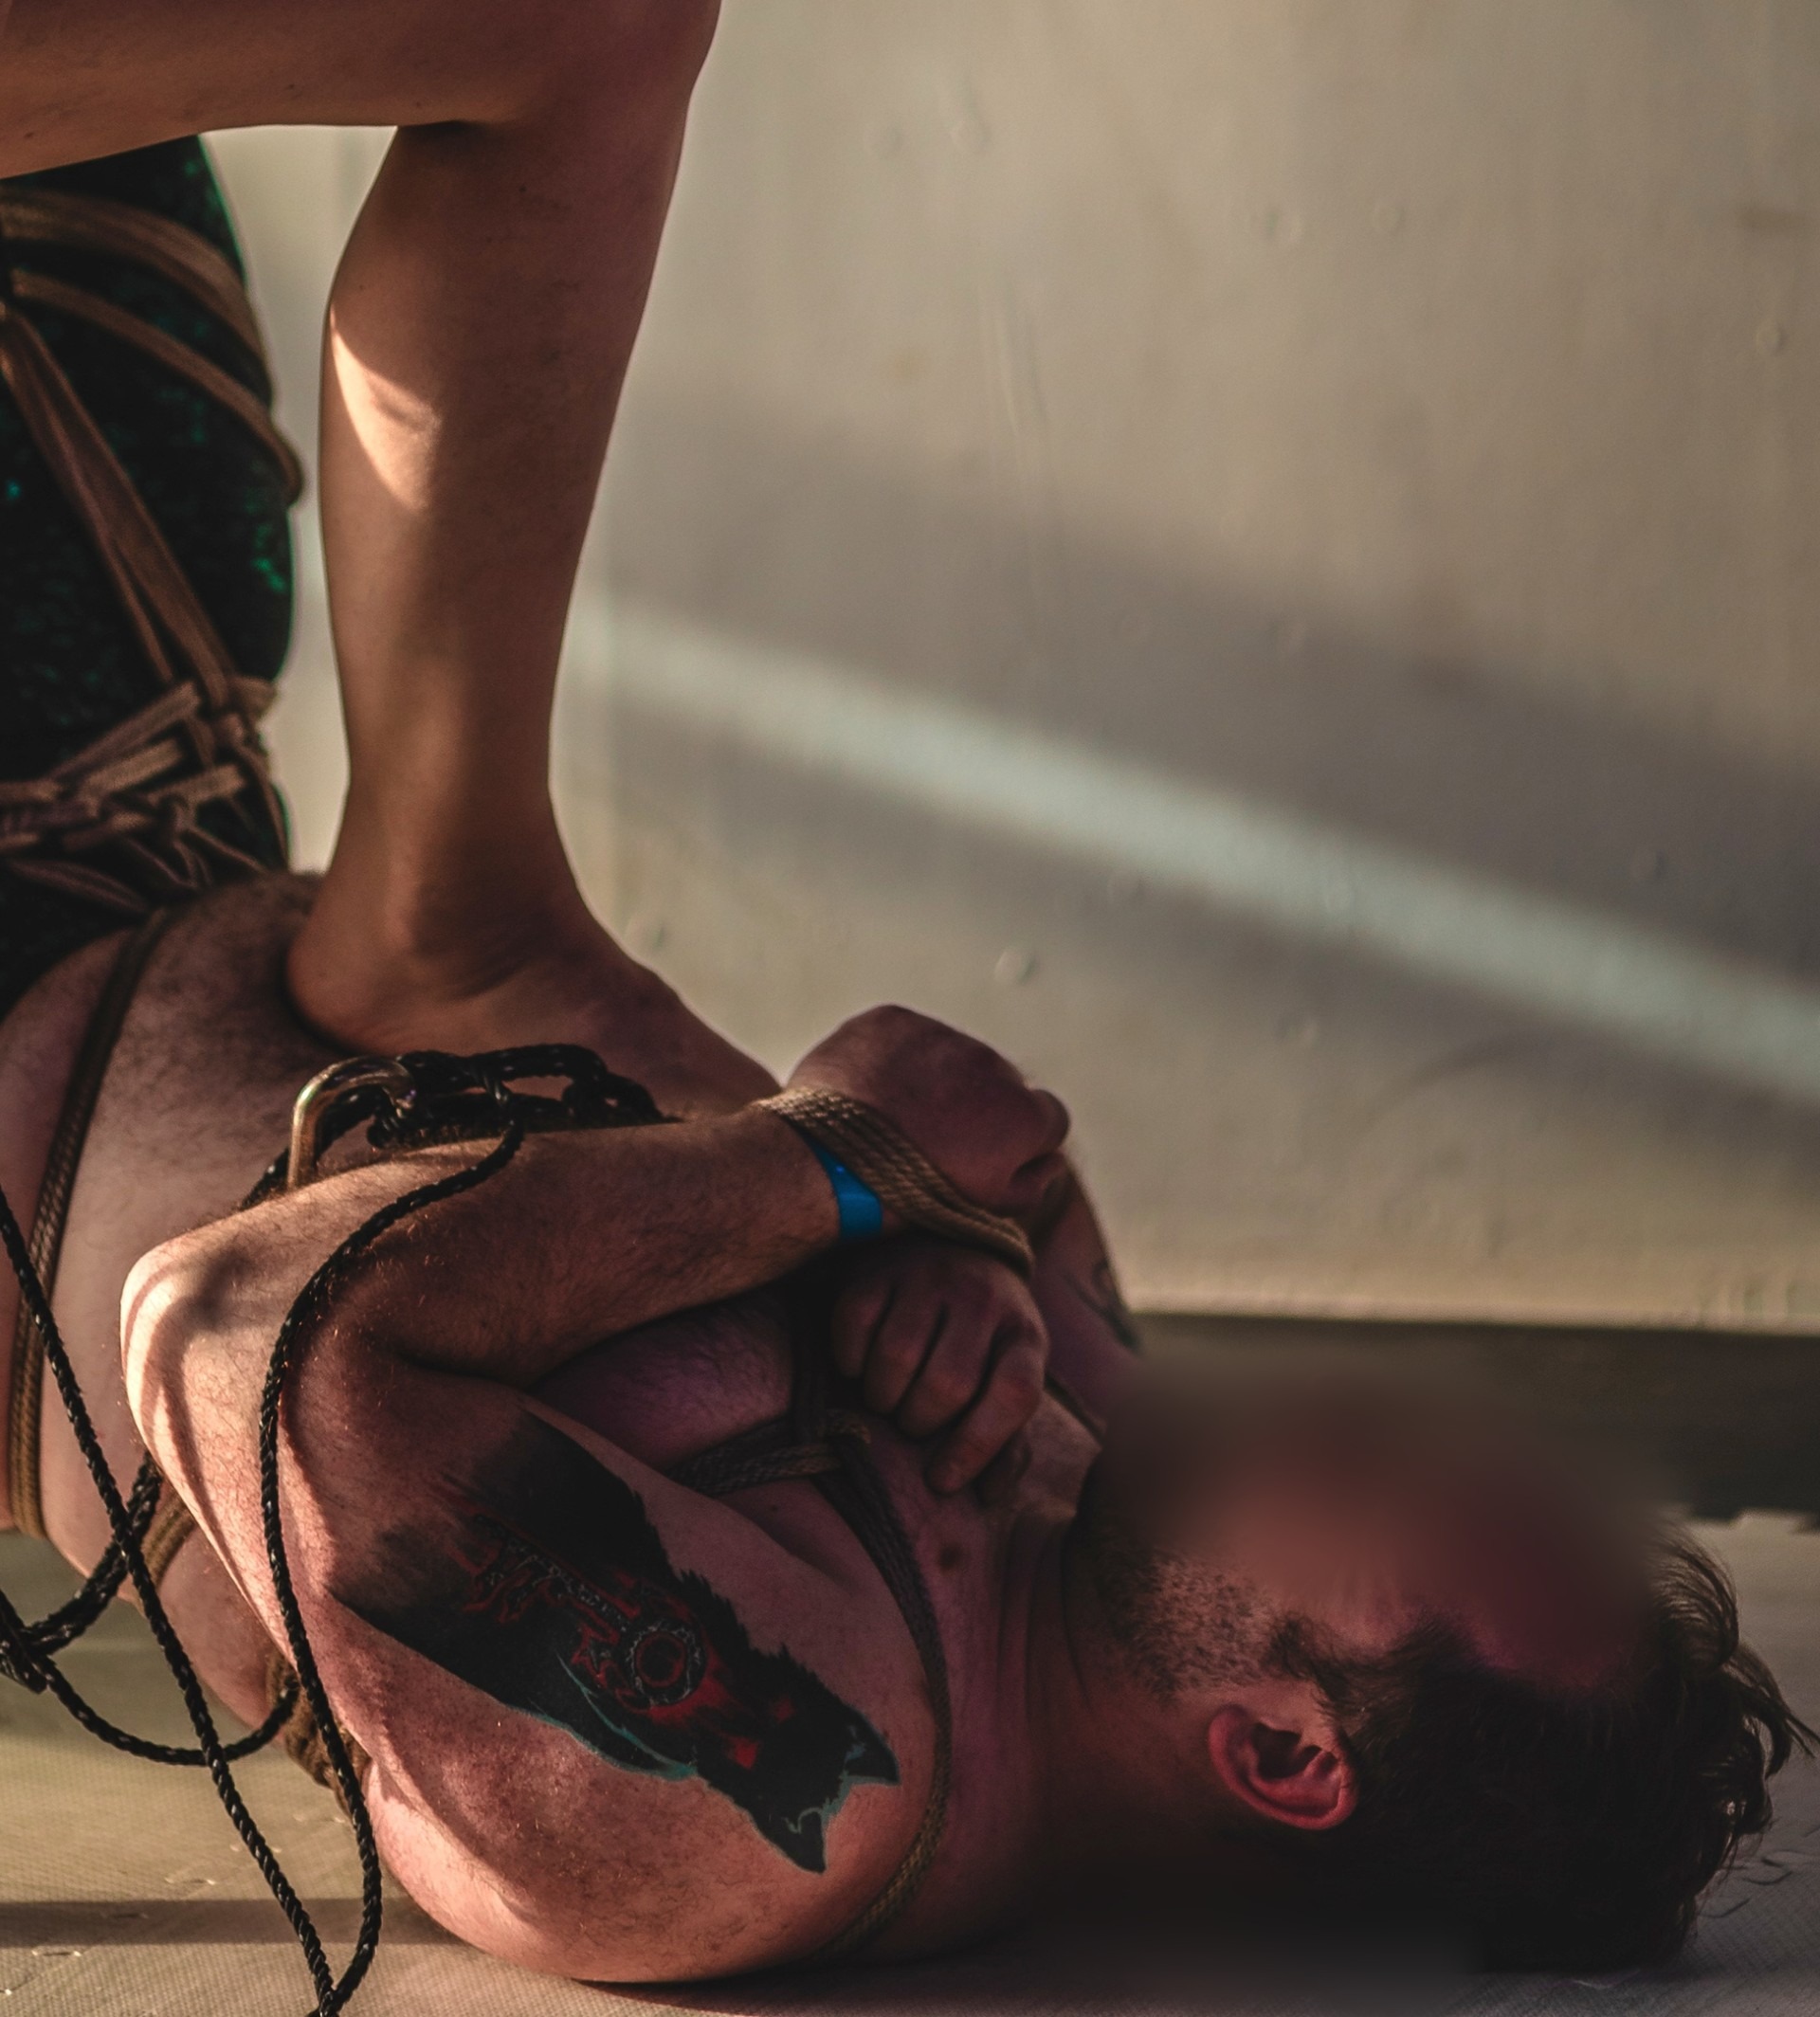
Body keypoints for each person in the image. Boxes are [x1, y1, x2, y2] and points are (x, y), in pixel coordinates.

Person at [0, 41, 1808, 1997]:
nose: (1414, 1426)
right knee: (572, 35)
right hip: (169, 801)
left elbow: (225, 1336)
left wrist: (835, 1174)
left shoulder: (755, 1794)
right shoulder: (1114, 1469)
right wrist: (940, 1221)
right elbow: (1002, 1144)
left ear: (1283, 1756)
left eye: (1434, 1516)